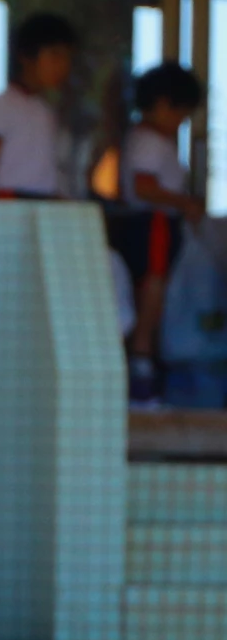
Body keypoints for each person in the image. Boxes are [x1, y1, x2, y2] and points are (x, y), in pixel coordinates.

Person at [111, 61, 207, 404]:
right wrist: (185, 203)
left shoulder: (149, 139)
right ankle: (140, 362)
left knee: (153, 288)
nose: (181, 121)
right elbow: (145, 187)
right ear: (165, 104)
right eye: (181, 113)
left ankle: (144, 362)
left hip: (158, 224)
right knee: (152, 287)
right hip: (153, 223)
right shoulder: (149, 141)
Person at [0, 12, 75, 201]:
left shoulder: (46, 110)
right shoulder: (1, 106)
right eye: (54, 56)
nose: (62, 66)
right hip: (9, 205)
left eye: (67, 58)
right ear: (26, 56)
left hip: (46, 204)